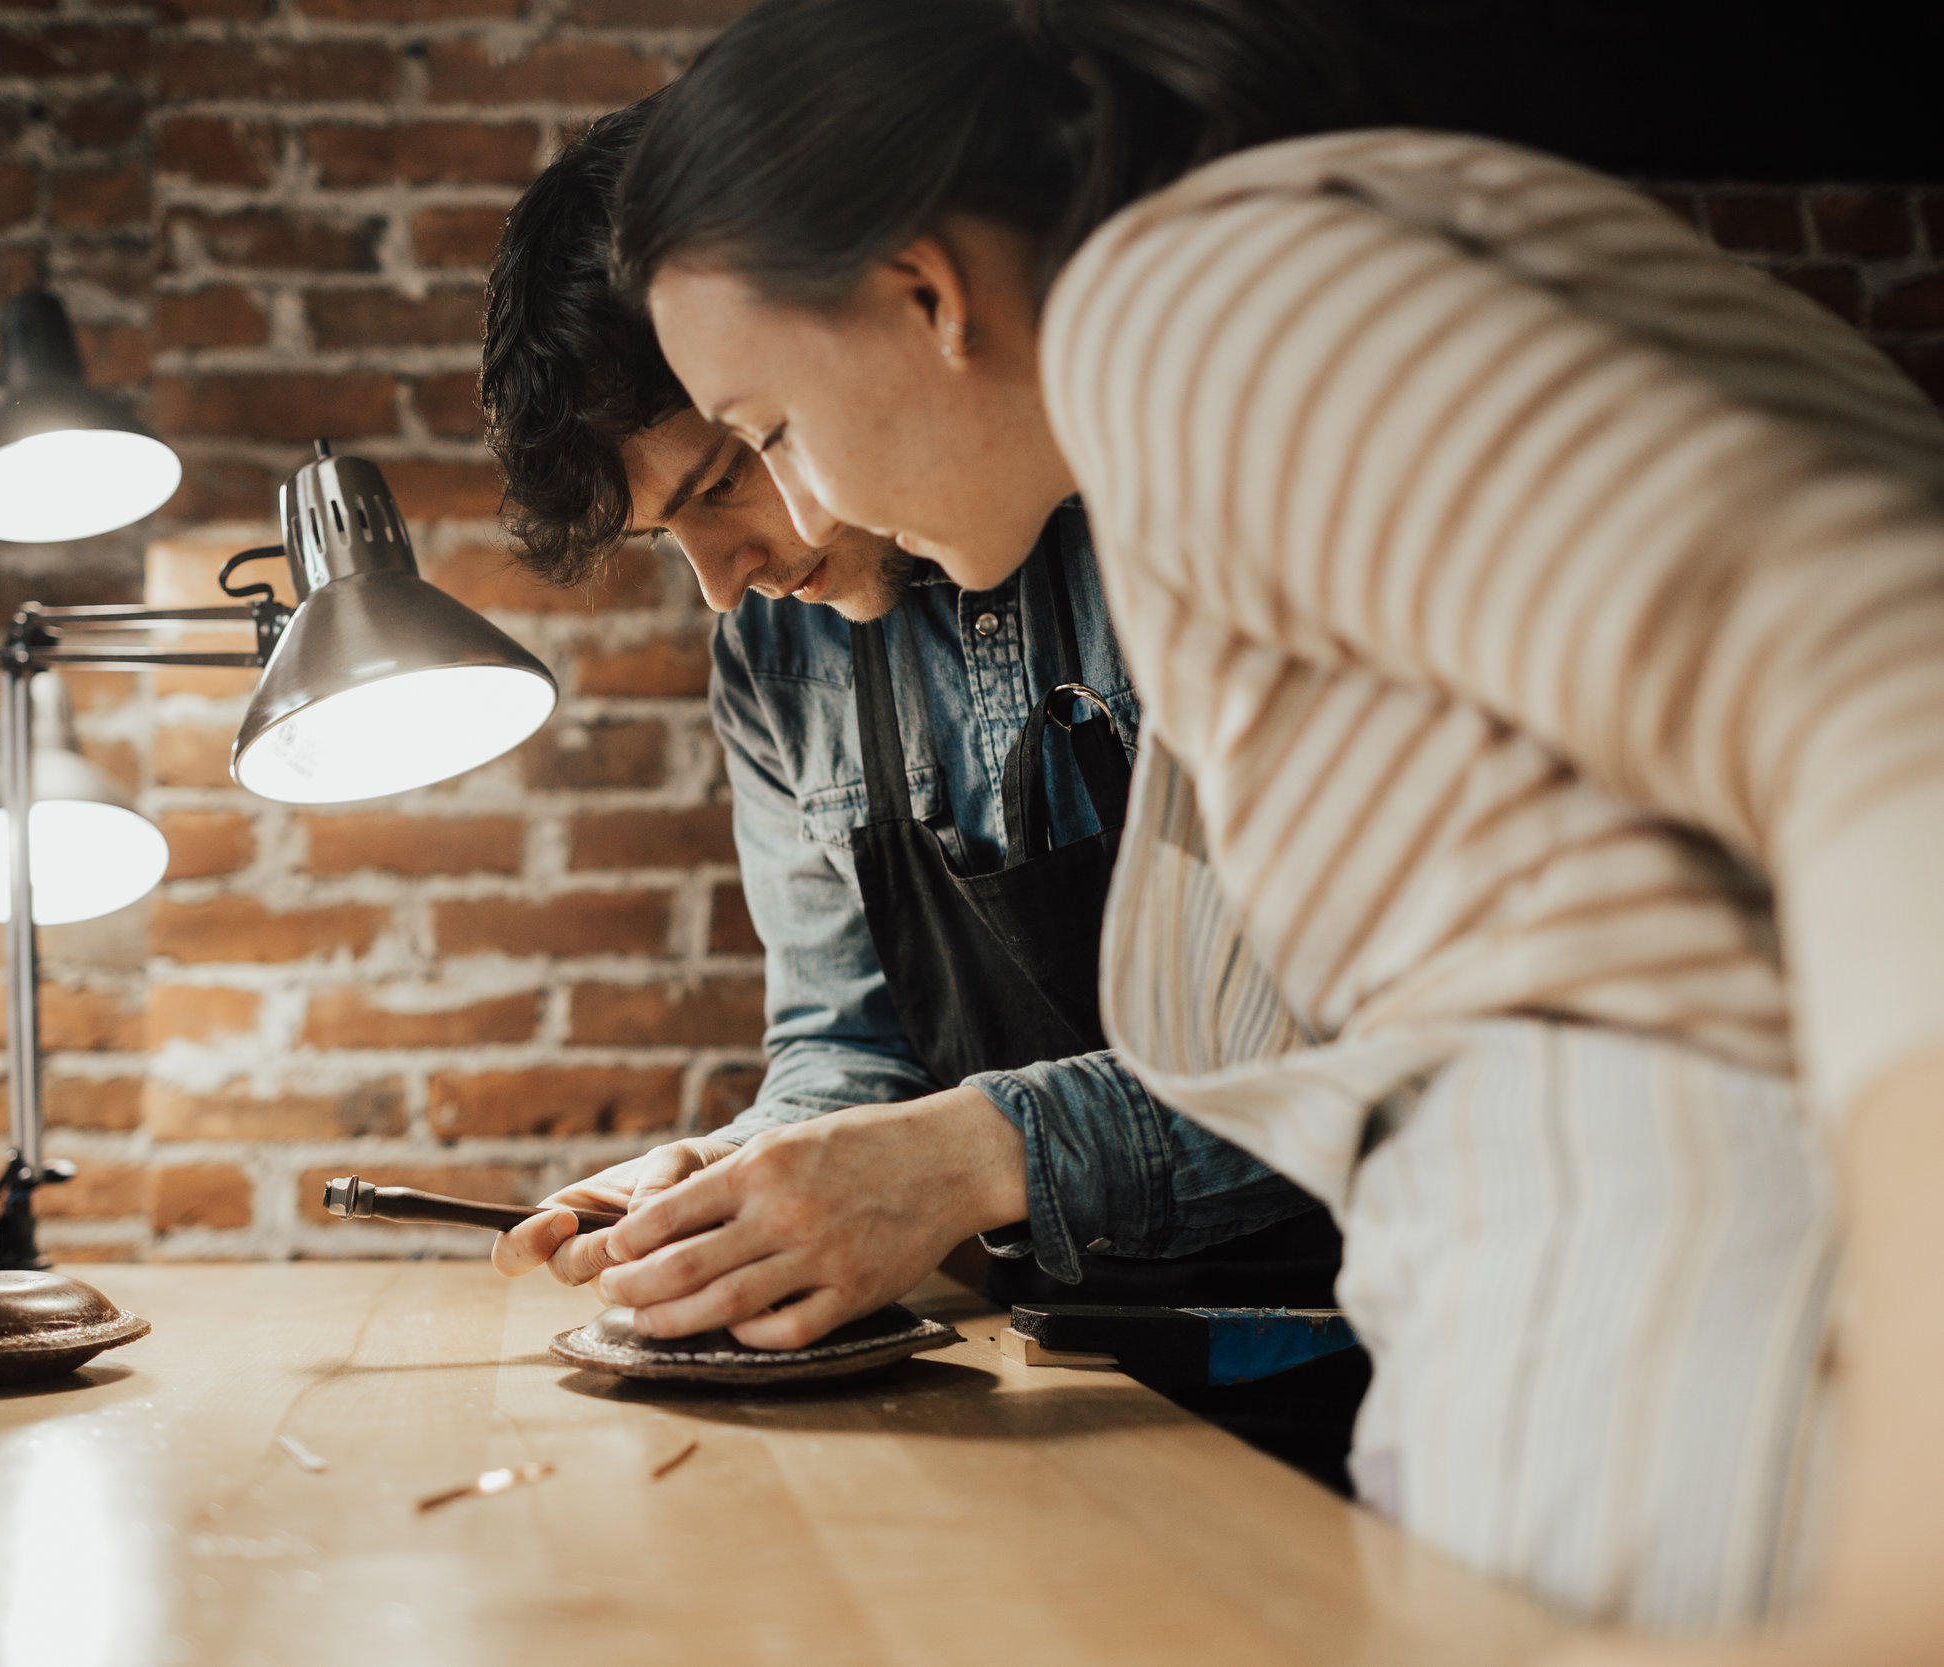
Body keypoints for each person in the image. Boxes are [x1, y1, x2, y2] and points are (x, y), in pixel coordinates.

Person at [601, 0, 1944, 1650]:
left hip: (1744, 1466)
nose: (798, 515)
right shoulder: (1276, 340)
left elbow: (1899, 702)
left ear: (925, 294)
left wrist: (1903, 1578)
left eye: (769, 432)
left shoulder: (1203, 306)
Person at [476, 104, 1345, 1395]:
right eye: (671, 541)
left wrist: (970, 1156)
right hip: (1071, 1369)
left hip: (1377, 1333)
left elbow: (1360, 1045)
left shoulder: (1205, 521)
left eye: (731, 469)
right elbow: (848, 1048)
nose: (726, 587)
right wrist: (751, 1180)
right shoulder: (776, 661)